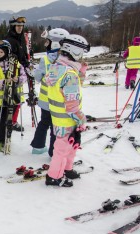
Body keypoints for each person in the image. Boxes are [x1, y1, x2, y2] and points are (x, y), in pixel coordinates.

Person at [45, 34, 89, 187]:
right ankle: (54, 176)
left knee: (72, 144)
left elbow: (75, 86)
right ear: (75, 51)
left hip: (59, 117)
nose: (82, 56)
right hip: (68, 118)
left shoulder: (57, 68)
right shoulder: (69, 75)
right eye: (82, 52)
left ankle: (67, 169)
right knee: (62, 149)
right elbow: (72, 104)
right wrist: (81, 119)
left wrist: (81, 71)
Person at [30, 28, 69, 156]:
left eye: (48, 42)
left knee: (44, 123)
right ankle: (53, 151)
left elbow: (37, 77)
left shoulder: (45, 60)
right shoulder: (66, 61)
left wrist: (34, 71)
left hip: (45, 101)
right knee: (55, 126)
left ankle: (38, 146)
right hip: (58, 102)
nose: (46, 44)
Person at [0, 40, 26, 153]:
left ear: (7, 52)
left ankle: (7, 138)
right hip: (3, 100)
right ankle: (0, 140)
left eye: (1, 52)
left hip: (15, 97)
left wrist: (18, 80)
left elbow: (24, 76)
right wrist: (3, 82)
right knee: (3, 121)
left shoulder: (16, 64)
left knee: (10, 120)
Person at [5, 16, 29, 132]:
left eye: (21, 26)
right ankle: (12, 121)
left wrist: (27, 63)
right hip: (13, 72)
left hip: (21, 71)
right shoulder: (10, 40)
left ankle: (11, 120)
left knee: (17, 99)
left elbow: (23, 54)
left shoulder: (21, 39)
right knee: (14, 99)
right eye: (18, 26)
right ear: (13, 27)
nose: (20, 28)